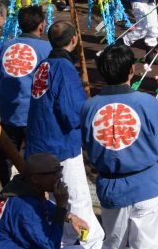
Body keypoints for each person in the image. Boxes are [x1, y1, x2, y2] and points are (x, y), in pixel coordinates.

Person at [26, 21, 105, 248]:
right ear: (74, 40)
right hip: (60, 145)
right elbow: (71, 114)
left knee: (55, 198)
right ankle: (84, 242)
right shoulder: (63, 67)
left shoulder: (43, 65)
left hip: (39, 141)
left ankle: (66, 238)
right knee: (75, 198)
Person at [82, 45, 158, 249]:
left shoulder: (89, 106)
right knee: (145, 245)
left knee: (113, 243)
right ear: (131, 70)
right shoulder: (149, 102)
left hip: (112, 186)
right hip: (147, 183)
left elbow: (89, 145)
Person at [0, 152, 89, 249]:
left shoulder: (22, 187)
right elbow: (50, 246)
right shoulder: (24, 209)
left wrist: (71, 217)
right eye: (55, 172)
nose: (60, 176)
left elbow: (44, 206)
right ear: (35, 178)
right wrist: (61, 206)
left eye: (60, 169)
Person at [0, 5, 52, 184]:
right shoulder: (47, 49)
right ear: (42, 25)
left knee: (6, 155)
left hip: (8, 109)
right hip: (33, 113)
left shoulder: (7, 44)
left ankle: (2, 192)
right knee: (37, 157)